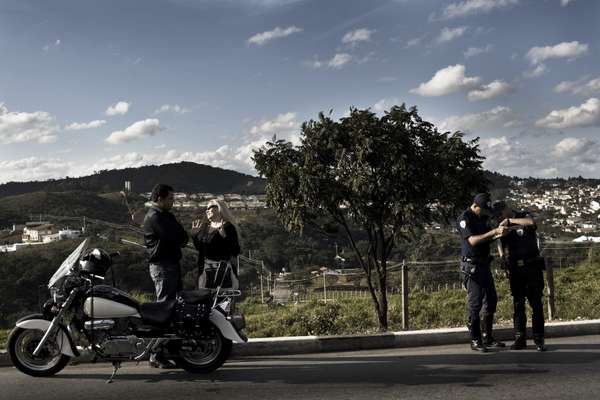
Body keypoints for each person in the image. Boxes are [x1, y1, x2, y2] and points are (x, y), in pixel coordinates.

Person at [143, 183, 189, 368]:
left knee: (174, 309)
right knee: (163, 310)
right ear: (160, 198)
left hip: (170, 266)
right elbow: (178, 237)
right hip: (163, 267)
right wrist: (180, 236)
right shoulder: (155, 217)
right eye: (170, 198)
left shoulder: (165, 215)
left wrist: (180, 236)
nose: (173, 201)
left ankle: (170, 351)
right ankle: (156, 354)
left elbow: (183, 237)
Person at [457, 193, 508, 352]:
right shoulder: (465, 218)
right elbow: (472, 240)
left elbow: (488, 238)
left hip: (484, 264)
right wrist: (493, 232)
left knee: (491, 300)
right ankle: (475, 339)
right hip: (472, 267)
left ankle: (488, 336)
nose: (486, 213)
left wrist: (499, 234)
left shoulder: (482, 218)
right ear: (476, 206)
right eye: (484, 209)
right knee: (475, 303)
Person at [493, 200, 547, 352]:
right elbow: (499, 243)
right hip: (516, 268)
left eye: (500, 213)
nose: (499, 216)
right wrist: (502, 257)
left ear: (506, 209)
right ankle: (520, 338)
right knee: (518, 304)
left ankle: (539, 338)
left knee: (536, 303)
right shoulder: (501, 224)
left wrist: (510, 221)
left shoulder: (523, 215)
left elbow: (531, 222)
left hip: (532, 266)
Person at [192, 199, 241, 290]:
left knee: (220, 301)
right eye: (206, 208)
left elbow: (236, 250)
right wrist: (194, 236)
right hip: (205, 271)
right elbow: (200, 249)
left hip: (222, 272)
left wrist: (224, 236)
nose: (207, 210)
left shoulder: (228, 227)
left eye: (210, 207)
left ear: (219, 208)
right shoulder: (205, 227)